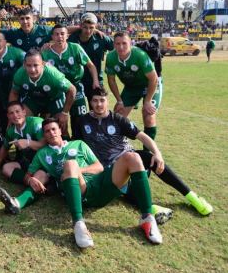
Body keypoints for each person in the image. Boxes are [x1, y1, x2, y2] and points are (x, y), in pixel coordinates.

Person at [0, 118, 163, 248]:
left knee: (132, 157)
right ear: (44, 135)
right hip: (80, 192)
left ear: (60, 130)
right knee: (70, 163)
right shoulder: (42, 154)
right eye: (47, 131)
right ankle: (79, 224)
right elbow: (29, 174)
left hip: (100, 185)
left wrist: (79, 170)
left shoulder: (79, 144)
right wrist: (31, 179)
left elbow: (98, 167)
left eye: (54, 129)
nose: (51, 133)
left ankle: (147, 218)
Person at [74, 87, 213, 221]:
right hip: (110, 168)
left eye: (102, 100)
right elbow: (78, 146)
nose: (99, 104)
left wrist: (157, 153)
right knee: (122, 189)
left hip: (131, 160)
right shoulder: (83, 121)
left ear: (108, 102)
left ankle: (192, 197)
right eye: (95, 101)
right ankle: (152, 207)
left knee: (150, 158)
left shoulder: (117, 119)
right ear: (90, 102)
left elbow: (142, 136)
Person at [42, 24, 99, 136]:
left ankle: (78, 141)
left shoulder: (75, 48)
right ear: (52, 36)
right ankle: (64, 144)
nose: (60, 37)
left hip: (76, 86)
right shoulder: (45, 52)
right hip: (57, 89)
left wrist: (95, 82)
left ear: (67, 36)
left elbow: (91, 66)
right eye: (57, 34)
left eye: (62, 34)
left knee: (80, 118)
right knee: (60, 120)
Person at [105, 31, 161, 141]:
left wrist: (148, 101)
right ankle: (119, 148)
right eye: (118, 44)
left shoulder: (140, 55)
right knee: (118, 117)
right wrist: (119, 101)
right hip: (131, 88)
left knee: (148, 116)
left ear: (130, 44)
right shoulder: (111, 57)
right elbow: (111, 80)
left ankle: (148, 153)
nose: (121, 47)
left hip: (149, 86)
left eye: (124, 43)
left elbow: (153, 79)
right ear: (113, 45)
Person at [9, 49, 76, 134]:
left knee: (61, 127)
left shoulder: (52, 74)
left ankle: (64, 144)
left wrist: (65, 113)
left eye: (36, 65)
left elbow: (72, 90)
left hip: (53, 99)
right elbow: (14, 92)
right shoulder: (19, 74)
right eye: (29, 66)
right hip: (33, 99)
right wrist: (12, 115)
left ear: (43, 64)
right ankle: (29, 145)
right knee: (21, 121)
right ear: (24, 65)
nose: (32, 69)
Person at [0, 101, 46, 186]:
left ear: (24, 112)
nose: (15, 115)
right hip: (27, 162)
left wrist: (28, 143)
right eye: (11, 113)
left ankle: (36, 181)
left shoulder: (36, 123)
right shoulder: (10, 131)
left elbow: (46, 144)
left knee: (39, 173)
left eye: (18, 111)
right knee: (6, 168)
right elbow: (5, 147)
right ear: (8, 116)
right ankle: (32, 181)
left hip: (43, 162)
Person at [67, 13, 114, 108]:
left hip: (95, 81)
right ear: (80, 26)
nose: (88, 31)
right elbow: (59, 30)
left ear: (96, 27)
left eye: (91, 27)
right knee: (77, 112)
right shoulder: (71, 39)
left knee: (98, 109)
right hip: (76, 81)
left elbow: (117, 49)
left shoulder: (101, 38)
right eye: (85, 27)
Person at [0, 30, 26, 109]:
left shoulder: (16, 52)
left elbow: (30, 61)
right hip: (1, 90)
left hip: (17, 88)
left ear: (5, 42)